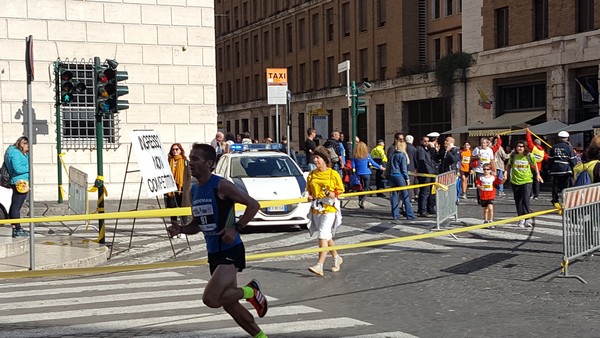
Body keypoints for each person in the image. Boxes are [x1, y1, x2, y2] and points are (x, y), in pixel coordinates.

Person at [166, 144, 268, 338]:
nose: (190, 163)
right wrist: (180, 229)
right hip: (213, 252)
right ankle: (261, 336)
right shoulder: (194, 191)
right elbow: (196, 224)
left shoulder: (221, 185)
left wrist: (236, 228)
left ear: (209, 163)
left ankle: (250, 291)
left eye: (196, 159)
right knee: (230, 306)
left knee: (211, 299)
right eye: (190, 159)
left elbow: (253, 205)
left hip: (231, 249)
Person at [305, 146, 345, 276]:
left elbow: (341, 190)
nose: (315, 160)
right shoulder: (312, 174)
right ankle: (337, 257)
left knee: (322, 234)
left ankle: (319, 265)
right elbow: (308, 190)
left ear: (324, 160)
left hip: (329, 208)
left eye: (318, 158)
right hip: (317, 208)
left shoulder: (333, 174)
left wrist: (333, 193)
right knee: (326, 236)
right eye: (314, 157)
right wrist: (309, 196)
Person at [503, 140, 543, 227]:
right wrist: (505, 173)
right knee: (518, 201)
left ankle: (527, 219)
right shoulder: (513, 156)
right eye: (518, 146)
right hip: (515, 181)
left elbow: (535, 164)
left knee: (526, 200)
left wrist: (538, 175)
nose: (519, 148)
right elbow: (508, 165)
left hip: (527, 181)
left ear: (525, 147)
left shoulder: (529, 155)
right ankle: (521, 218)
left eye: (521, 146)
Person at [164, 143, 192, 236]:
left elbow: (188, 176)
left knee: (183, 209)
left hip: (182, 189)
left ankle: (183, 230)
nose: (175, 151)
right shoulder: (169, 161)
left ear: (180, 150)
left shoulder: (185, 161)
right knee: (173, 209)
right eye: (173, 150)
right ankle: (174, 230)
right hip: (171, 189)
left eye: (177, 149)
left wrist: (185, 189)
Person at [5, 136, 30, 238]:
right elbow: (18, 168)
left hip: (19, 181)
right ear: (22, 144)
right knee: (16, 206)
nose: (28, 148)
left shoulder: (14, 152)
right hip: (20, 182)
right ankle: (17, 228)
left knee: (15, 204)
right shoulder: (15, 153)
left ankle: (16, 227)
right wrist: (30, 166)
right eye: (27, 145)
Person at [388, 138, 415, 222]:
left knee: (394, 196)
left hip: (392, 175)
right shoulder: (402, 155)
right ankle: (410, 214)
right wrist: (407, 178)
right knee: (405, 196)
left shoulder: (393, 155)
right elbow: (404, 169)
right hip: (399, 176)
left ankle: (395, 214)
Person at [351, 141, 385, 209]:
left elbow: (353, 165)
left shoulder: (354, 156)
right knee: (365, 188)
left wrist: (354, 170)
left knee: (360, 187)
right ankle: (362, 201)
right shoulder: (367, 155)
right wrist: (380, 167)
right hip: (367, 173)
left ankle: (359, 199)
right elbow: (373, 163)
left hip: (358, 174)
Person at [548, 131, 577, 204]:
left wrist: (549, 169)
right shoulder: (568, 148)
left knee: (555, 185)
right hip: (565, 170)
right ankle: (566, 200)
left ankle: (555, 199)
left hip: (555, 170)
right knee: (566, 186)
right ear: (567, 138)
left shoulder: (553, 147)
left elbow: (550, 160)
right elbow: (573, 160)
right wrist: (574, 169)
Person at [416, 135, 437, 217]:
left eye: (428, 141)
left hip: (431, 172)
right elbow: (423, 162)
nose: (427, 143)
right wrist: (427, 172)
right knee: (424, 192)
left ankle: (429, 208)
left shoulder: (427, 149)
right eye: (425, 141)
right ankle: (422, 210)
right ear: (421, 141)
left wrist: (432, 148)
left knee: (430, 192)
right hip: (425, 173)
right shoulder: (420, 149)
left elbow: (434, 157)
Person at [471, 137, 495, 205]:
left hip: (487, 169)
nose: (483, 144)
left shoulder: (490, 150)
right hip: (479, 169)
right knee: (479, 185)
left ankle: (487, 198)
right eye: (482, 143)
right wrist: (476, 157)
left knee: (487, 184)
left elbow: (492, 160)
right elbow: (471, 157)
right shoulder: (477, 149)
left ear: (487, 143)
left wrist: (494, 170)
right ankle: (480, 199)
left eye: (484, 143)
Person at [525, 129, 548, 200]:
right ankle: (536, 195)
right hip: (538, 168)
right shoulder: (542, 151)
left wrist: (528, 132)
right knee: (536, 181)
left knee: (529, 181)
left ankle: (530, 194)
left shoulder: (533, 148)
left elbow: (528, 140)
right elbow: (547, 158)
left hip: (531, 167)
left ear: (535, 143)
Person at [405, 135, 419, 201]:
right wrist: (417, 167)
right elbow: (415, 159)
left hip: (405, 167)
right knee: (411, 182)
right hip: (411, 168)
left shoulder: (403, 147)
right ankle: (411, 197)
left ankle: (409, 196)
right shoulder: (413, 149)